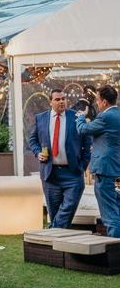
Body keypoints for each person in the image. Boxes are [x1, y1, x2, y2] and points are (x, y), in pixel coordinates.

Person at [28, 89, 90, 228]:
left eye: (63, 98)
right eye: (57, 99)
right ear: (51, 102)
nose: (61, 101)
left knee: (68, 209)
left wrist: (82, 167)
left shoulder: (76, 117)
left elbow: (87, 143)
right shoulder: (41, 118)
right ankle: (58, 245)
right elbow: (33, 140)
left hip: (73, 173)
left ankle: (52, 230)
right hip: (51, 174)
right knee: (54, 213)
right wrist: (38, 152)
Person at [76, 85, 120, 236]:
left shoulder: (105, 116)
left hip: (105, 169)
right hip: (115, 169)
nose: (96, 103)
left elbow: (83, 130)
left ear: (105, 102)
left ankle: (115, 251)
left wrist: (81, 117)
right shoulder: (118, 114)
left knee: (109, 215)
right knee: (117, 209)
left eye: (97, 100)